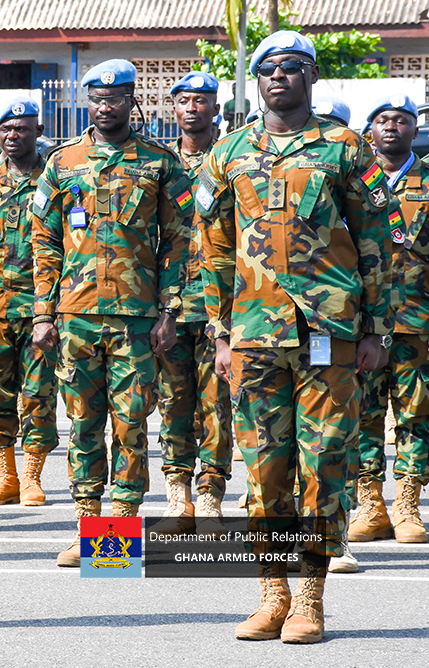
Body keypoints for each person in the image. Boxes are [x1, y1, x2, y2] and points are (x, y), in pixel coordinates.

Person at [197, 31, 390, 643]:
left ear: (310, 77)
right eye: (269, 69)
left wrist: (376, 328)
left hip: (329, 332)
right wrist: (221, 334)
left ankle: (311, 598)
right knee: (263, 468)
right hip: (253, 334)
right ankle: (272, 595)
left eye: (292, 68)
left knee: (323, 462)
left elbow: (375, 244)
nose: (280, 77)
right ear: (256, 80)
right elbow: (215, 250)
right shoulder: (227, 153)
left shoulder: (344, 147)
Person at [31, 59, 186, 566]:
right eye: (97, 97)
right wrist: (43, 313)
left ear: (131, 100)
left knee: (131, 421)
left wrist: (170, 309)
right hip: (75, 316)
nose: (105, 106)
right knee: (82, 421)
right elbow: (44, 239)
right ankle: (87, 523)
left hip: (137, 317)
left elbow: (179, 241)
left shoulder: (160, 162)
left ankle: (117, 535)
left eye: (116, 97)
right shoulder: (62, 162)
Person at [0, 97, 59, 506]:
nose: (13, 135)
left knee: (40, 393)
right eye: (5, 128)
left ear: (38, 132)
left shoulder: (57, 177)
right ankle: (4, 475)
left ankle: (33, 476)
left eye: (22, 128)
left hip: (43, 306)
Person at [349, 94, 429, 545]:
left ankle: (408, 504)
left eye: (401, 120)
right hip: (364, 322)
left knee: (416, 412)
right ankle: (370, 504)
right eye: (383, 120)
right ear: (370, 130)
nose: (392, 127)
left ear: (414, 130)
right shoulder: (357, 178)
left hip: (418, 320)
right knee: (364, 413)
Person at [156, 71, 232, 531]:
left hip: (220, 303)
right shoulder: (159, 163)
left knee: (217, 402)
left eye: (201, 100)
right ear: (174, 109)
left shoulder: (231, 158)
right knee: (172, 400)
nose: (192, 107)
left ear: (215, 109)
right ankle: (177, 489)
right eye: (184, 100)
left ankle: (211, 491)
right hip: (168, 305)